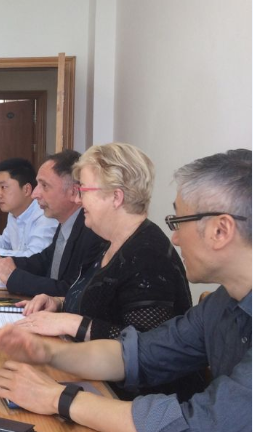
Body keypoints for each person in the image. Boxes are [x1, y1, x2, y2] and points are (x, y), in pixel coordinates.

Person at [0, 149, 251, 432]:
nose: (174, 237)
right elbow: (136, 353)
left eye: (179, 222)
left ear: (220, 230)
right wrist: (48, 353)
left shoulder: (150, 255)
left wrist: (57, 398)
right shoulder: (222, 304)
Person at [15, 143, 192, 343]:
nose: (78, 200)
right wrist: (58, 303)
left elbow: (146, 344)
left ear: (116, 197)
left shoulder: (148, 257)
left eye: (83, 191)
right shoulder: (110, 241)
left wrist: (72, 323)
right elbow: (100, 306)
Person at [0, 150, 106, 297]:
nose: (35, 194)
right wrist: (1, 264)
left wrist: (14, 277)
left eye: (44, 186)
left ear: (73, 192)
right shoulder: (65, 223)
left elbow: (73, 292)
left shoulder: (92, 232)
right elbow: (43, 261)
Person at [0, 158, 57, 257]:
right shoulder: (14, 213)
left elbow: (33, 256)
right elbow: (6, 241)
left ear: (26, 190)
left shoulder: (45, 216)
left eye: (3, 187)